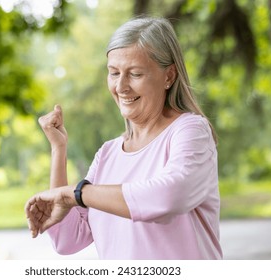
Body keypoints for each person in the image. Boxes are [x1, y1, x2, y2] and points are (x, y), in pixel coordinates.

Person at [25, 17, 223, 260]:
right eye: (114, 73)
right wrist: (58, 149)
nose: (121, 86)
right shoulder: (108, 153)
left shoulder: (190, 131)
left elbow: (170, 196)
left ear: (169, 76)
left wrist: (74, 194)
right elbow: (68, 240)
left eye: (135, 74)